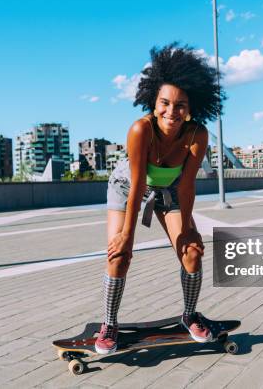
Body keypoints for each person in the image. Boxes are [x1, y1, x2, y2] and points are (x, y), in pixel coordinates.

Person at [95, 43, 224, 354]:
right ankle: (109, 323)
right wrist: (127, 236)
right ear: (153, 103)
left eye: (180, 105)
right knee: (119, 256)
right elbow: (138, 185)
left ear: (191, 107)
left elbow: (187, 186)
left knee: (192, 252)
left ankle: (189, 315)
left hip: (171, 192)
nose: (172, 112)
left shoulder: (197, 134)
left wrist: (190, 228)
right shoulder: (141, 130)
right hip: (127, 188)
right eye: (165, 103)